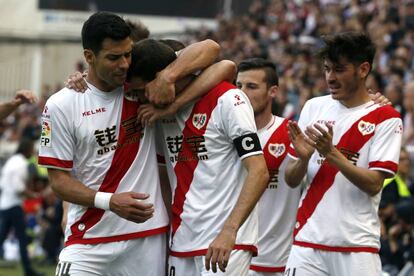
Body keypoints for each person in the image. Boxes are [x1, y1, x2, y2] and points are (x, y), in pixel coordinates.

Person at [38, 11, 220, 276]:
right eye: (114, 58)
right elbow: (59, 182)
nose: (124, 64)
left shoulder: (142, 85)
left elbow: (213, 51)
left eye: (128, 54)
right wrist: (110, 202)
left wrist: (168, 80)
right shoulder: (62, 105)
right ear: (89, 57)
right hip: (88, 237)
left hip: (147, 237)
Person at [131, 39, 269, 276]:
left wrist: (230, 231)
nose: (138, 98)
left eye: (141, 91)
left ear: (162, 78)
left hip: (223, 241)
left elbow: (259, 171)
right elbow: (165, 178)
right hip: (181, 241)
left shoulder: (227, 99)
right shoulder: (156, 115)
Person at [284, 32, 403, 276]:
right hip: (307, 242)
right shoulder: (313, 107)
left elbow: (374, 184)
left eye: (339, 70)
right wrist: (304, 158)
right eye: (326, 69)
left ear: (363, 69)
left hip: (356, 247)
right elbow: (291, 179)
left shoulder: (386, 118)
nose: (330, 77)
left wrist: (331, 153)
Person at [235, 58, 302, 276]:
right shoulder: (222, 134)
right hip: (228, 254)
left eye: (251, 86)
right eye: (238, 86)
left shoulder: (291, 133)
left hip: (277, 261)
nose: (242, 93)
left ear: (272, 91)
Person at [0, 138, 44, 276]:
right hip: (14, 205)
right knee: (22, 237)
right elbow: (19, 188)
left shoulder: (12, 160)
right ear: (27, 149)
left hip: (5, 203)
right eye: (32, 148)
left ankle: (28, 270)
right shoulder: (21, 163)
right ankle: (28, 270)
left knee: (2, 236)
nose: (33, 151)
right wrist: (34, 195)